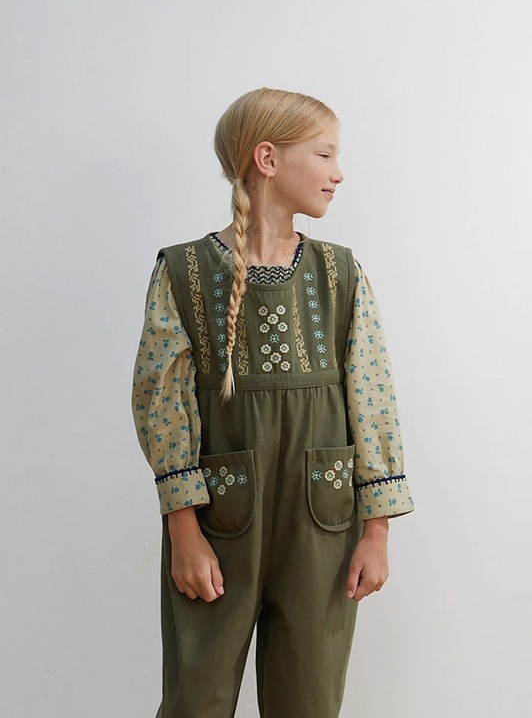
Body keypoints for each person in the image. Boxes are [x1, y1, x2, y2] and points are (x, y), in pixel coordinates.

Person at [131, 86, 415, 718]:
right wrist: (182, 530)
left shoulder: (340, 273)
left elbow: (373, 398)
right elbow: (162, 401)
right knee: (196, 700)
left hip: (323, 520)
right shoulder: (182, 271)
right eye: (325, 154)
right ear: (267, 159)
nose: (339, 172)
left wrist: (377, 531)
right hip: (217, 519)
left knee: (309, 699)